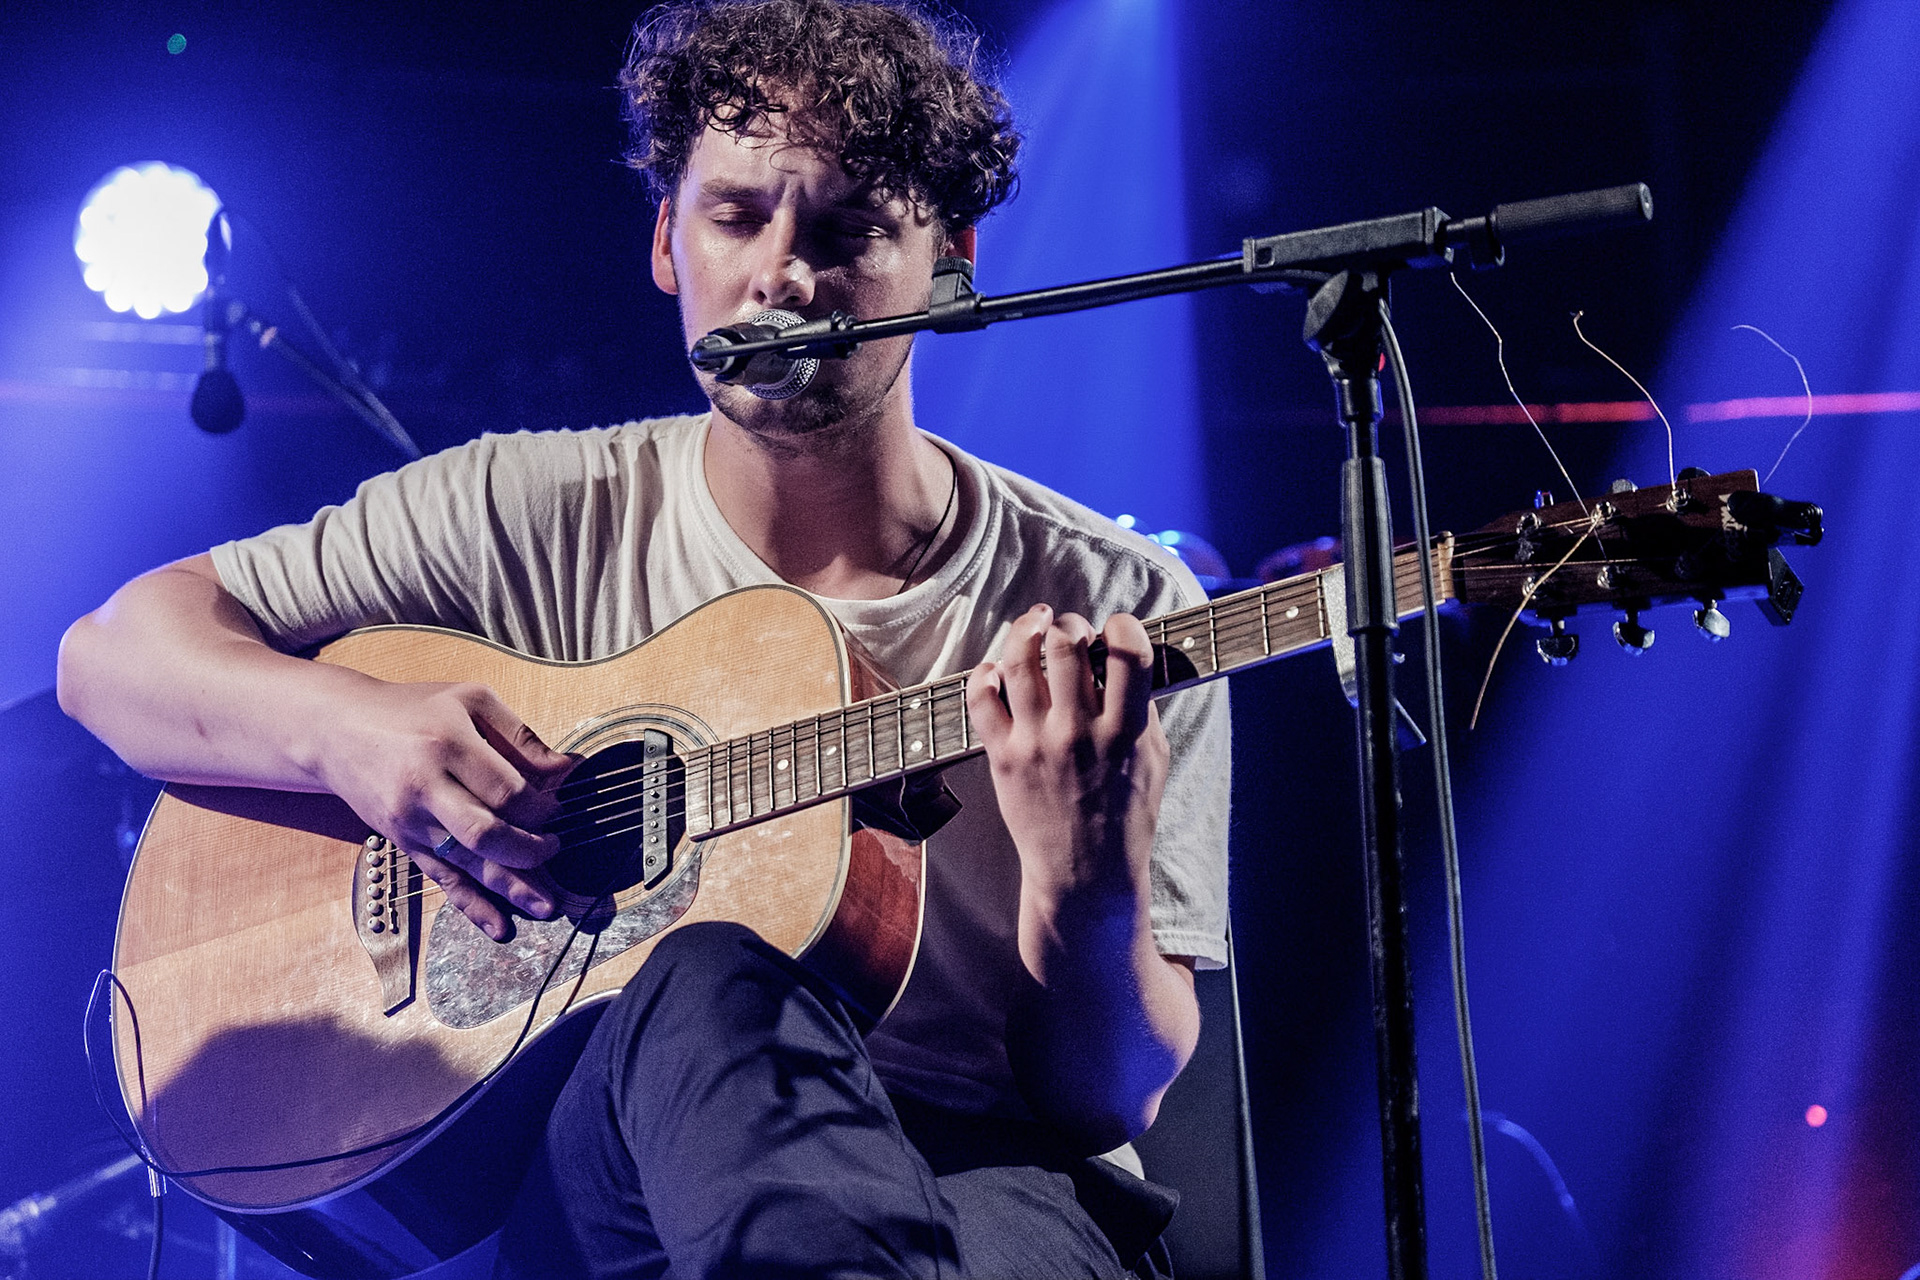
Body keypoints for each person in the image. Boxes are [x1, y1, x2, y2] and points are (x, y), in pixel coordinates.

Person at [57, 1, 1230, 1275]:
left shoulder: (1117, 600)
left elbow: (1107, 1101)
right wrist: (347, 727)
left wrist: (1088, 867)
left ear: (947, 261)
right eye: (736, 217)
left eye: (847, 232)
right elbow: (111, 654)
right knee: (708, 973)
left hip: (989, 1167)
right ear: (669, 239)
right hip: (620, 1151)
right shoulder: (532, 506)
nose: (782, 275)